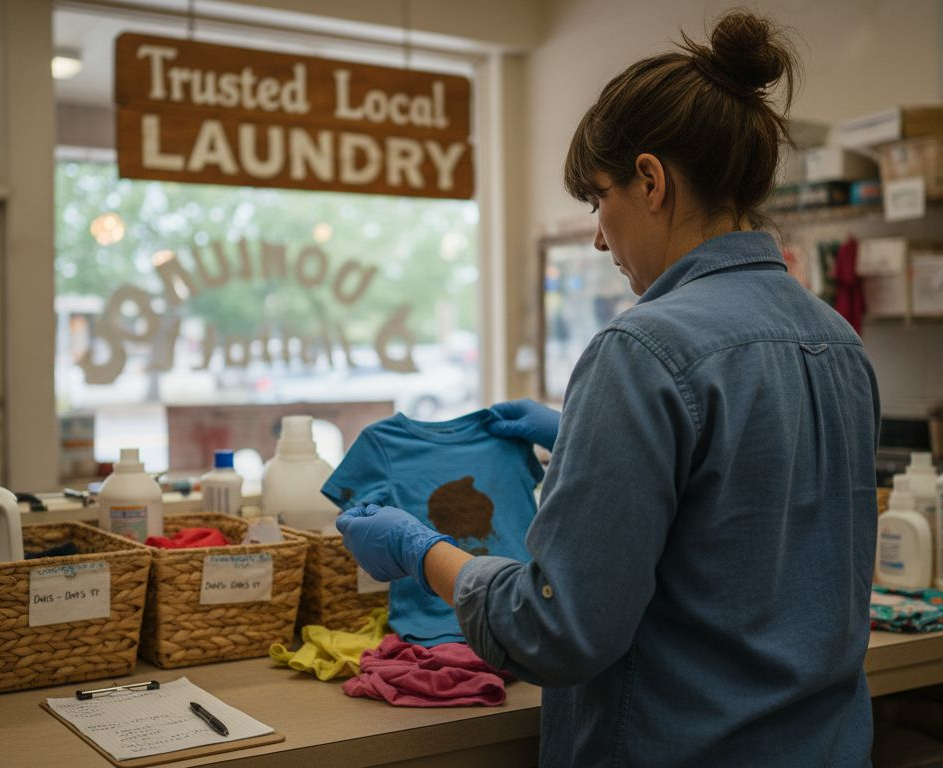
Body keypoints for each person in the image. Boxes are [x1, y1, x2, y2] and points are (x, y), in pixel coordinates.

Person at [337, 10, 879, 767]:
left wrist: (421, 550)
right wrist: (581, 436)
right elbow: (749, 512)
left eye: (599, 200)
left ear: (651, 182)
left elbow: (555, 633)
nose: (598, 236)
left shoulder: (643, 349)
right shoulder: (837, 340)